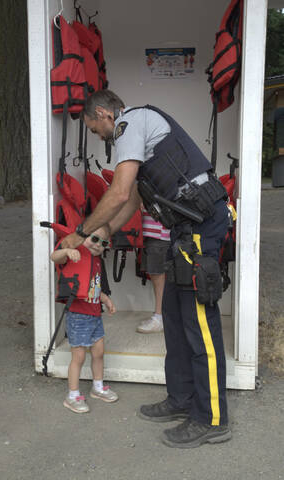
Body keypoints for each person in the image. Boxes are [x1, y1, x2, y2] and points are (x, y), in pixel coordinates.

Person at [60, 90, 231, 447]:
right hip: (183, 229)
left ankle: (211, 418)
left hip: (201, 223)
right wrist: (104, 232)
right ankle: (182, 399)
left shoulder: (131, 124)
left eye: (95, 129)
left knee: (200, 322)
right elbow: (135, 197)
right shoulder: (134, 136)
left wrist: (80, 233)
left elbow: (119, 193)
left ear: (105, 114)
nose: (98, 136)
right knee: (173, 315)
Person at [51, 225, 118, 414]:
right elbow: (53, 257)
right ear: (83, 237)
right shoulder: (75, 254)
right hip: (78, 315)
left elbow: (96, 288)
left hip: (95, 314)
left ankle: (98, 387)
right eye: (94, 239)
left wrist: (106, 300)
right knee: (78, 357)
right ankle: (72, 396)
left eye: (103, 243)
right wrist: (66, 250)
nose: (98, 245)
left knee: (99, 353)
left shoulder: (97, 262)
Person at [136, 207, 170, 333]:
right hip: (153, 230)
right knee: (156, 276)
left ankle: (159, 318)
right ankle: (160, 316)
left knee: (158, 276)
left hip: (160, 231)